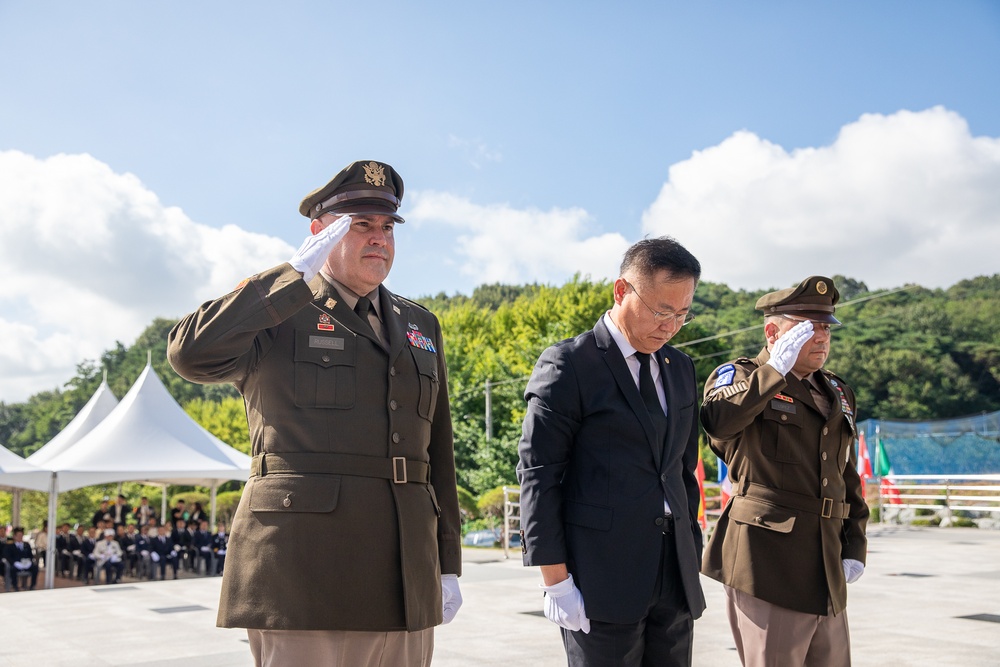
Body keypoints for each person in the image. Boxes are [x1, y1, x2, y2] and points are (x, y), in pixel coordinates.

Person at [167, 159, 462, 667]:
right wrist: (288, 278)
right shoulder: (278, 309)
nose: (379, 238)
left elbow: (437, 450)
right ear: (321, 232)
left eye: (388, 226)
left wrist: (447, 560)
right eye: (361, 225)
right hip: (304, 573)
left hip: (406, 575)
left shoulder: (419, 323)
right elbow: (188, 355)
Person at [517, 237, 707, 666]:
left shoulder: (680, 368)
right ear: (622, 291)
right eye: (661, 311)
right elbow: (539, 473)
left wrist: (690, 549)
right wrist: (555, 581)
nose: (671, 326)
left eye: (683, 314)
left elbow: (682, 470)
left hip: (673, 576)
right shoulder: (570, 364)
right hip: (599, 577)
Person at [700, 276, 869, 667]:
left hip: (825, 564)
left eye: (826, 327)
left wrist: (855, 544)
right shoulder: (743, 377)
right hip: (767, 563)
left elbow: (846, 477)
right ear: (772, 332)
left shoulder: (837, 391)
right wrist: (775, 369)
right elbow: (718, 422)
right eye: (808, 327)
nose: (822, 337)